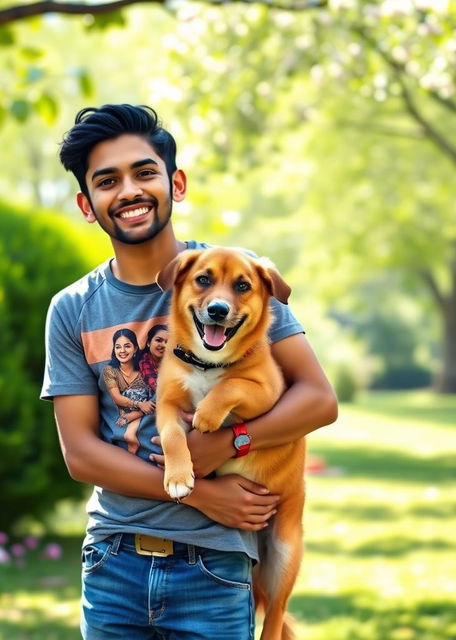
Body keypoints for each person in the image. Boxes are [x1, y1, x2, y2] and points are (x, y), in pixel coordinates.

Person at [41, 104, 338, 640]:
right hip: (112, 561)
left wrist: (232, 442)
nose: (129, 190)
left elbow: (318, 399)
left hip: (216, 565)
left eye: (144, 172)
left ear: (175, 182)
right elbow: (81, 453)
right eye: (107, 181)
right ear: (88, 205)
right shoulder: (73, 309)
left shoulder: (237, 278)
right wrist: (196, 490)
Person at [102, 328, 154, 454]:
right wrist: (139, 405)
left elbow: (155, 400)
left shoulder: (145, 366)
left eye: (127, 346)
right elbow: (117, 398)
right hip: (121, 424)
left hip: (150, 422)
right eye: (118, 347)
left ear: (135, 348)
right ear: (114, 350)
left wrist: (134, 415)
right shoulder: (110, 370)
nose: (122, 351)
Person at [138, 323, 168, 393]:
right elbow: (158, 389)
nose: (164, 345)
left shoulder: (172, 362)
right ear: (148, 343)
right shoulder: (144, 362)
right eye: (158, 340)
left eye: (167, 342)